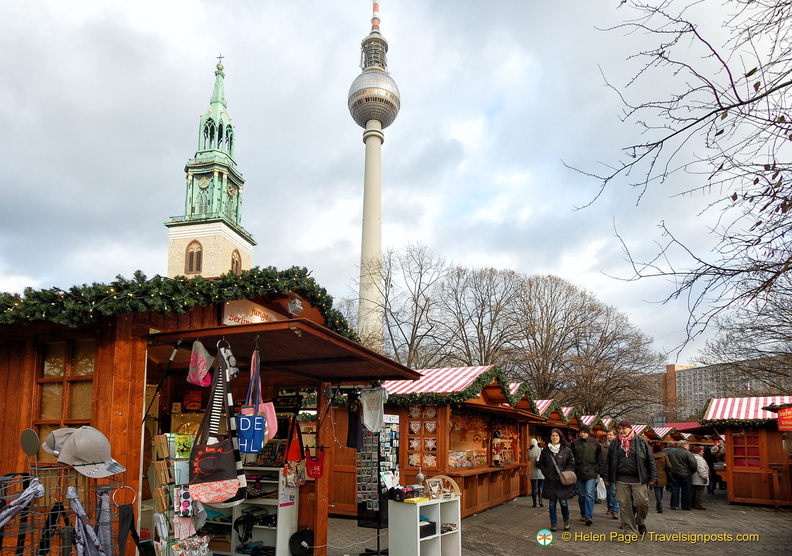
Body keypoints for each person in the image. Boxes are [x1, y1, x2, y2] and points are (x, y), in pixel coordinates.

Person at [605, 420, 657, 535]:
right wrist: (607, 477)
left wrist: (653, 477)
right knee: (625, 506)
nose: (621, 431)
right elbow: (609, 461)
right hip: (621, 479)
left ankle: (640, 521)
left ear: (630, 429)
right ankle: (630, 530)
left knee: (642, 503)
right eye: (619, 429)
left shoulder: (641, 442)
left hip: (638, 479)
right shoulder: (615, 443)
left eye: (624, 428)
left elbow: (650, 460)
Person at [536, 428, 576, 532]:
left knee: (563, 502)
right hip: (550, 481)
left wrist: (565, 474)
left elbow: (571, 464)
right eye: (553, 436)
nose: (555, 437)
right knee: (552, 503)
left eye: (556, 436)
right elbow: (541, 463)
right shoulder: (545, 451)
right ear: (550, 437)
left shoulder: (566, 450)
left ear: (560, 437)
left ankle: (566, 521)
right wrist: (546, 473)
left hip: (562, 481)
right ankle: (553, 523)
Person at [570, 424, 605, 526]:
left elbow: (600, 459)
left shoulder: (595, 443)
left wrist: (601, 472)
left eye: (584, 432)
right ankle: (583, 513)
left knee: (589, 494)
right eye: (581, 432)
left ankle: (588, 516)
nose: (582, 434)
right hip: (579, 472)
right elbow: (571, 458)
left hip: (591, 472)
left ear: (588, 433)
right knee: (582, 495)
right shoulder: (575, 443)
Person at [667, 439, 698, 510]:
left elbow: (668, 462)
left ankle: (673, 505)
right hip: (686, 474)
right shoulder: (687, 453)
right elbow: (693, 463)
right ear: (684, 445)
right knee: (686, 490)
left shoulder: (672, 452)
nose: (688, 446)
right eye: (688, 445)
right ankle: (685, 505)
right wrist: (693, 471)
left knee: (675, 489)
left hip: (674, 473)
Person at [603, 429, 620, 520]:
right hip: (607, 472)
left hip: (616, 473)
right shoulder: (603, 446)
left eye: (610, 435)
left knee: (613, 492)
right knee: (609, 492)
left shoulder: (618, 445)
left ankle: (615, 510)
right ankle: (610, 507)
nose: (608, 436)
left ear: (614, 435)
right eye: (607, 435)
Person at [652, 444, 672, 512]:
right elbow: (669, 465)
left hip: (654, 473)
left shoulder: (652, 456)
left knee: (656, 489)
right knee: (661, 488)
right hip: (663, 473)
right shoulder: (664, 456)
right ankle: (660, 503)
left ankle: (659, 503)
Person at [690, 445, 710, 510]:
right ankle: (699, 505)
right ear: (698, 452)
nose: (703, 452)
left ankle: (692, 504)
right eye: (702, 451)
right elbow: (701, 468)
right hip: (699, 478)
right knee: (699, 492)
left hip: (694, 477)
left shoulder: (693, 457)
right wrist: (704, 477)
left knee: (694, 491)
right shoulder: (699, 459)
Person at [529, 438, 544, 508]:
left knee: (534, 487)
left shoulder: (529, 451)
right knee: (540, 487)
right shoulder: (541, 450)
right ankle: (540, 502)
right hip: (540, 470)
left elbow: (527, 459)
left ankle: (534, 503)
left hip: (532, 470)